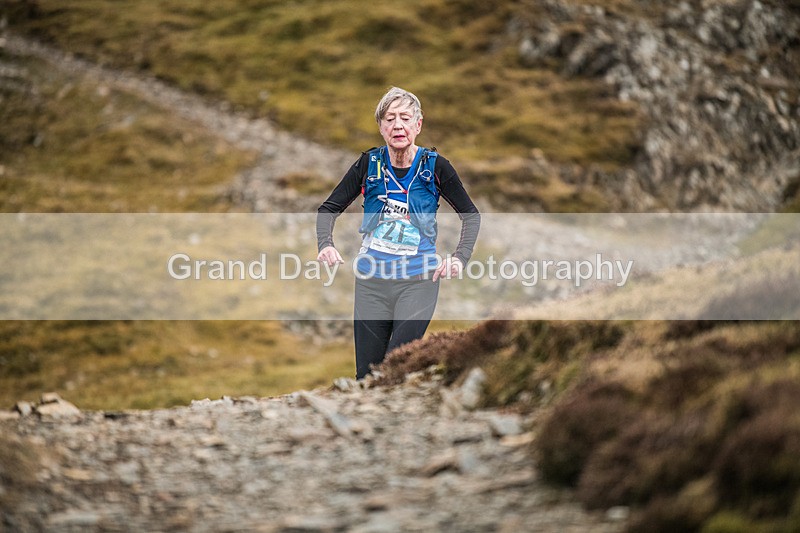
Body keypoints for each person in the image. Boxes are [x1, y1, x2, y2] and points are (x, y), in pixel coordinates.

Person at [316, 87, 480, 380]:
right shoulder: (369, 164)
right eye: (389, 119)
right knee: (366, 377)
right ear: (380, 127)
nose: (397, 125)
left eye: (405, 118)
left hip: (418, 282)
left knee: (397, 368)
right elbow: (328, 209)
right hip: (371, 285)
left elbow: (471, 215)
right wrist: (325, 245)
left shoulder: (435, 167)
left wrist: (459, 259)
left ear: (418, 125)